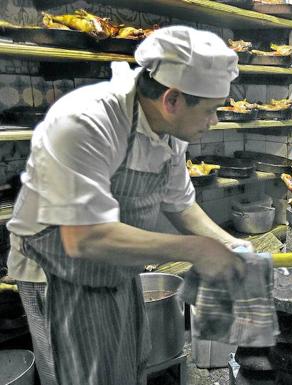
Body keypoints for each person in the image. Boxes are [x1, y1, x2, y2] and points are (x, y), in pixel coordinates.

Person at [6, 25, 253, 385]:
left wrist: (230, 245)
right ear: (172, 100)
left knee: (125, 371)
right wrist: (196, 249)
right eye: (211, 111)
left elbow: (181, 205)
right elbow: (83, 238)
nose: (214, 122)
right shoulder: (86, 122)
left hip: (116, 265)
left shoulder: (171, 132)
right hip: (57, 275)